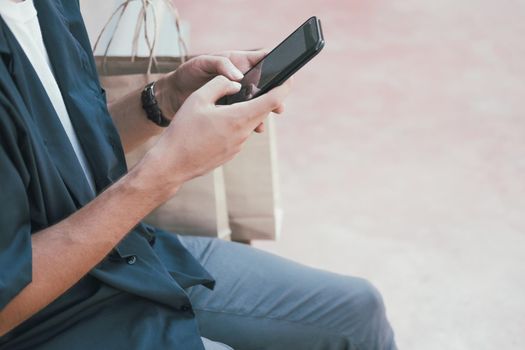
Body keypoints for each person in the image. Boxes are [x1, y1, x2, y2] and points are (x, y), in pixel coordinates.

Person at [0, 0, 397, 349]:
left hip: (123, 255)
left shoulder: (46, 6)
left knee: (358, 310)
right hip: (44, 321)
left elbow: (60, 152)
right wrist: (164, 173)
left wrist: (166, 99)